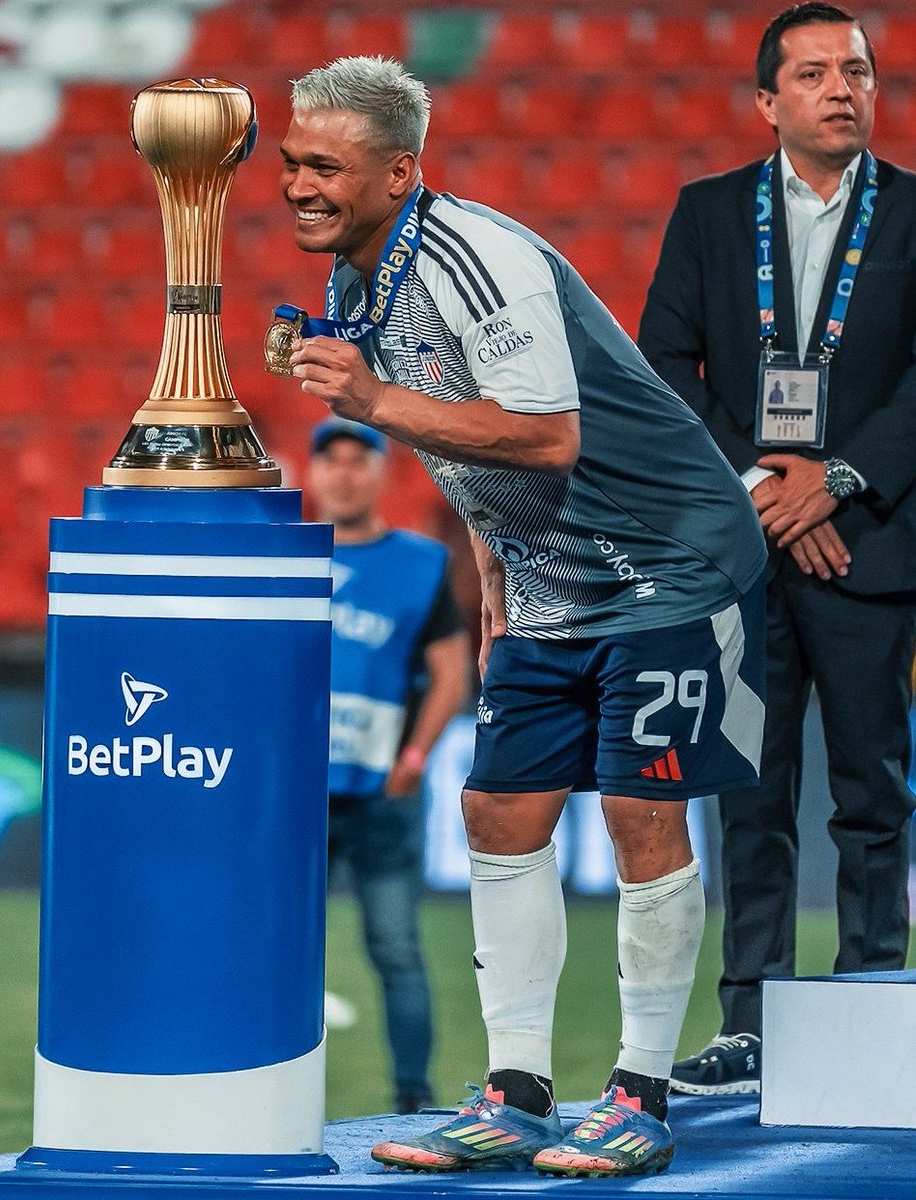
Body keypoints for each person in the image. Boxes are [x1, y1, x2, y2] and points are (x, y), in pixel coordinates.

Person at [273, 56, 767, 1177]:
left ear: (399, 172)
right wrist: (497, 571)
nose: (298, 183)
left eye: (326, 166)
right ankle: (517, 1093)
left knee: (643, 815)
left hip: (670, 559)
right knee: (497, 810)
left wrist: (371, 401)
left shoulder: (478, 258)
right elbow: (464, 448)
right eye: (294, 161)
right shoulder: (361, 283)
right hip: (549, 576)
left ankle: (640, 1095)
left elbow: (546, 435)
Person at [639, 3, 916, 1096]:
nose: (843, 87)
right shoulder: (708, 214)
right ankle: (749, 1019)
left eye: (858, 69)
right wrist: (763, 488)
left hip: (869, 548)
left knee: (872, 791)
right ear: (768, 103)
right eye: (814, 73)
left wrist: (832, 482)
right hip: (748, 554)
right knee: (749, 790)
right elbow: (664, 362)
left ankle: (872, 1012)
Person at [307, 415, 469, 1115]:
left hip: (381, 794)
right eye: (331, 460)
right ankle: (263, 1084)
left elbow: (451, 671)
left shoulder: (421, 562)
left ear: (380, 473)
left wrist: (415, 756)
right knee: (276, 949)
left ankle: (414, 1097)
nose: (344, 472)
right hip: (295, 799)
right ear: (312, 474)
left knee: (398, 950)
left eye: (358, 459)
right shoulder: (282, 556)